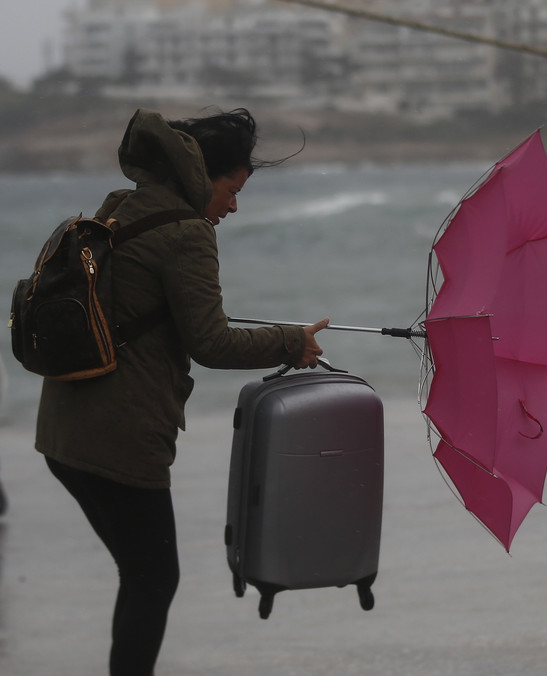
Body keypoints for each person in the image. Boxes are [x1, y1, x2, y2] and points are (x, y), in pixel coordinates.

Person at [35, 108, 328, 676]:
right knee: (153, 576)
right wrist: (290, 342)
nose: (234, 206)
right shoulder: (187, 232)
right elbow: (212, 344)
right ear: (203, 174)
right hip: (119, 438)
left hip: (63, 430)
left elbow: (142, 307)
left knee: (141, 572)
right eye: (232, 188)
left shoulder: (121, 208)